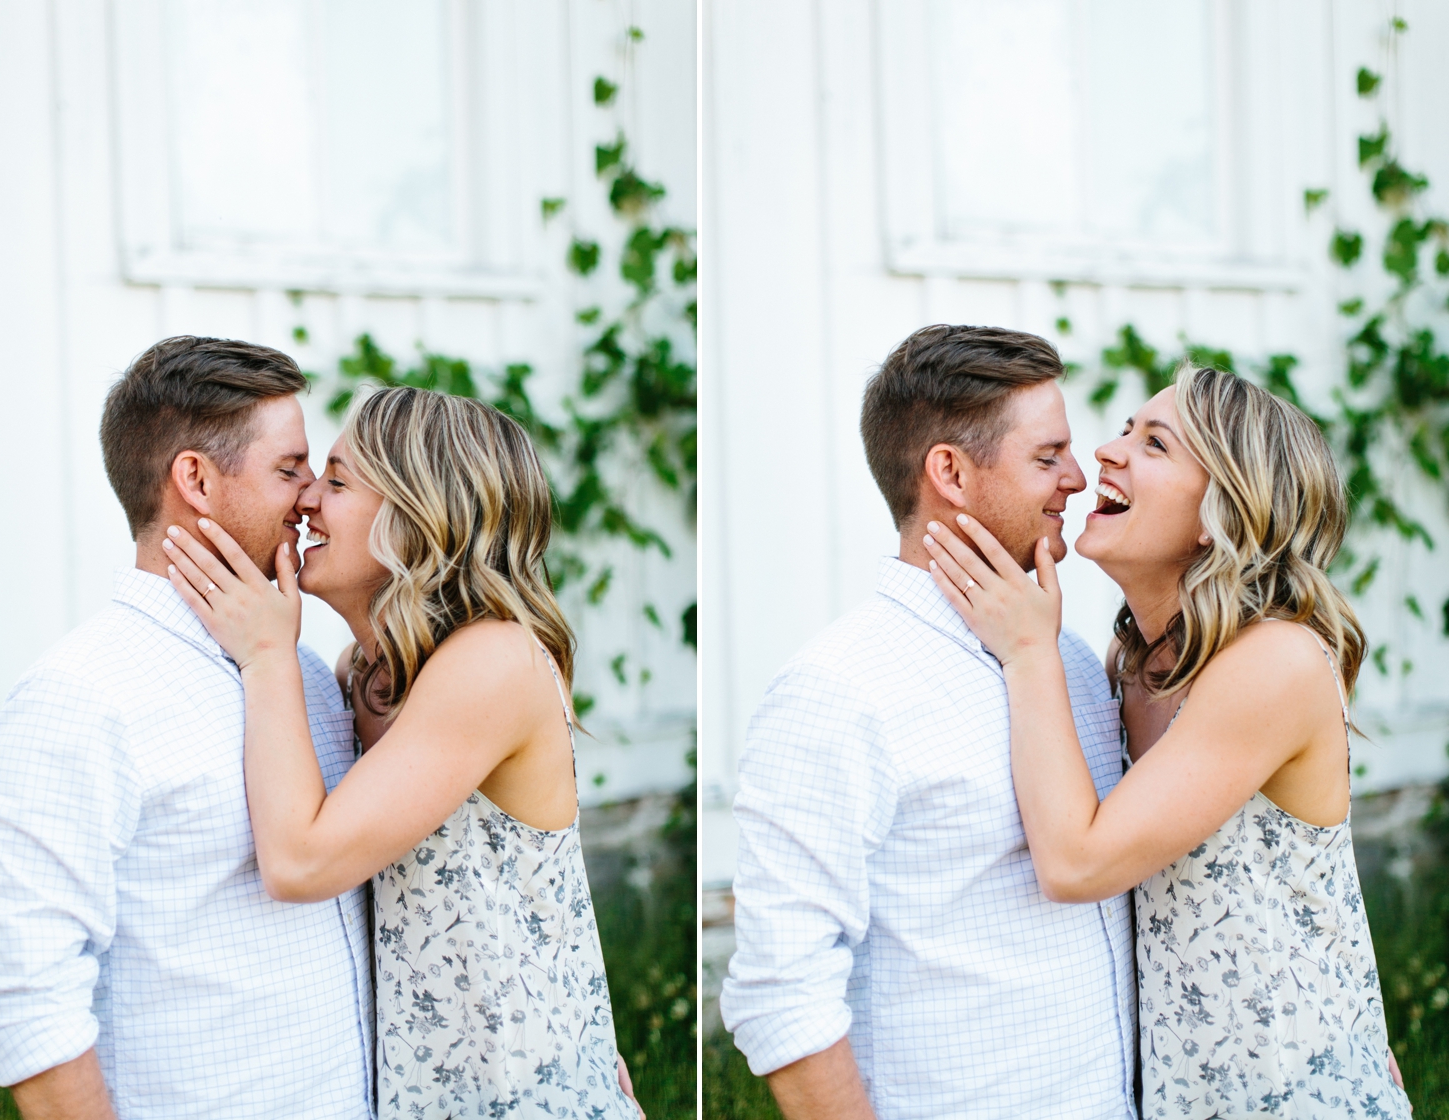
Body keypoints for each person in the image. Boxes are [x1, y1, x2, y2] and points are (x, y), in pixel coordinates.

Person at [922, 363, 1412, 1119]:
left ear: (1223, 511)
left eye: (1154, 444)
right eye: (1124, 430)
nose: (1109, 453)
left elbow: (1079, 862)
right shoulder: (1132, 667)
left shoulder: (1273, 663)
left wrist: (1027, 652)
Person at [161, 386, 642, 1120]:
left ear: (418, 516)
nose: (306, 502)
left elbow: (299, 861)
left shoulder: (492, 661)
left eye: (339, 480)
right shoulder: (365, 670)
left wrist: (266, 657)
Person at [721, 325, 1138, 1120]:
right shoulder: (839, 689)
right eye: (1047, 457)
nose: (1079, 478)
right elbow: (784, 991)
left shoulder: (1075, 666)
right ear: (949, 470)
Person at [0, 337, 374, 1119]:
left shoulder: (307, 678)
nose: (313, 497)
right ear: (196, 479)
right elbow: (31, 1007)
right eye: (290, 469)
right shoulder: (80, 696)